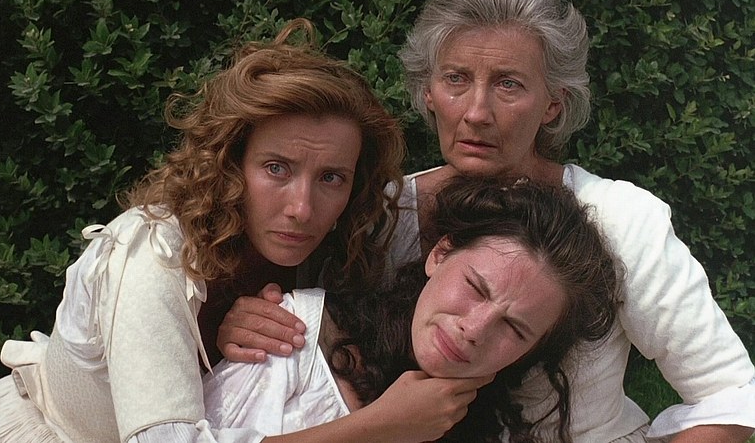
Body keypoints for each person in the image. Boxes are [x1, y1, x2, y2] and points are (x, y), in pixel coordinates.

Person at [217, 0, 755, 442]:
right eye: (456, 79)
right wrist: (251, 323)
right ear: (428, 92)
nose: (476, 112)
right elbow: (313, 340)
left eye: (508, 84)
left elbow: (729, 393)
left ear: (553, 103)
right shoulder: (380, 213)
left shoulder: (621, 219)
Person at [0, 18, 429, 443]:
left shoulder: (333, 244)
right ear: (232, 164)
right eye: (276, 168)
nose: (302, 208)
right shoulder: (154, 254)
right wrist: (379, 427)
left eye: (331, 178)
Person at [202, 176, 620, 443]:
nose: (475, 329)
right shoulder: (298, 333)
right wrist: (379, 427)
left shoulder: (490, 432)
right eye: (475, 287)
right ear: (439, 254)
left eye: (514, 328)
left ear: (530, 352)